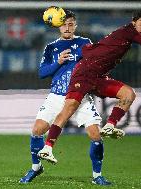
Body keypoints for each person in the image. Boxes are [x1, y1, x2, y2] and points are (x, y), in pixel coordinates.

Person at [38, 11, 141, 162]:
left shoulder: (125, 36)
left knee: (128, 94)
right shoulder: (128, 32)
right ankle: (47, 148)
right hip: (84, 74)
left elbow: (93, 49)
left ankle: (110, 125)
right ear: (133, 23)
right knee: (69, 109)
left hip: (98, 77)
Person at [20, 10, 120, 186]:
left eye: (71, 24)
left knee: (95, 134)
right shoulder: (51, 47)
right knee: (37, 130)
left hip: (79, 96)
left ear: (75, 25)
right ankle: (36, 167)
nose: (67, 27)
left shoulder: (85, 43)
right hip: (57, 96)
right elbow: (42, 73)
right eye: (64, 24)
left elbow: (97, 64)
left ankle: (97, 176)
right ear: (59, 25)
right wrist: (57, 62)